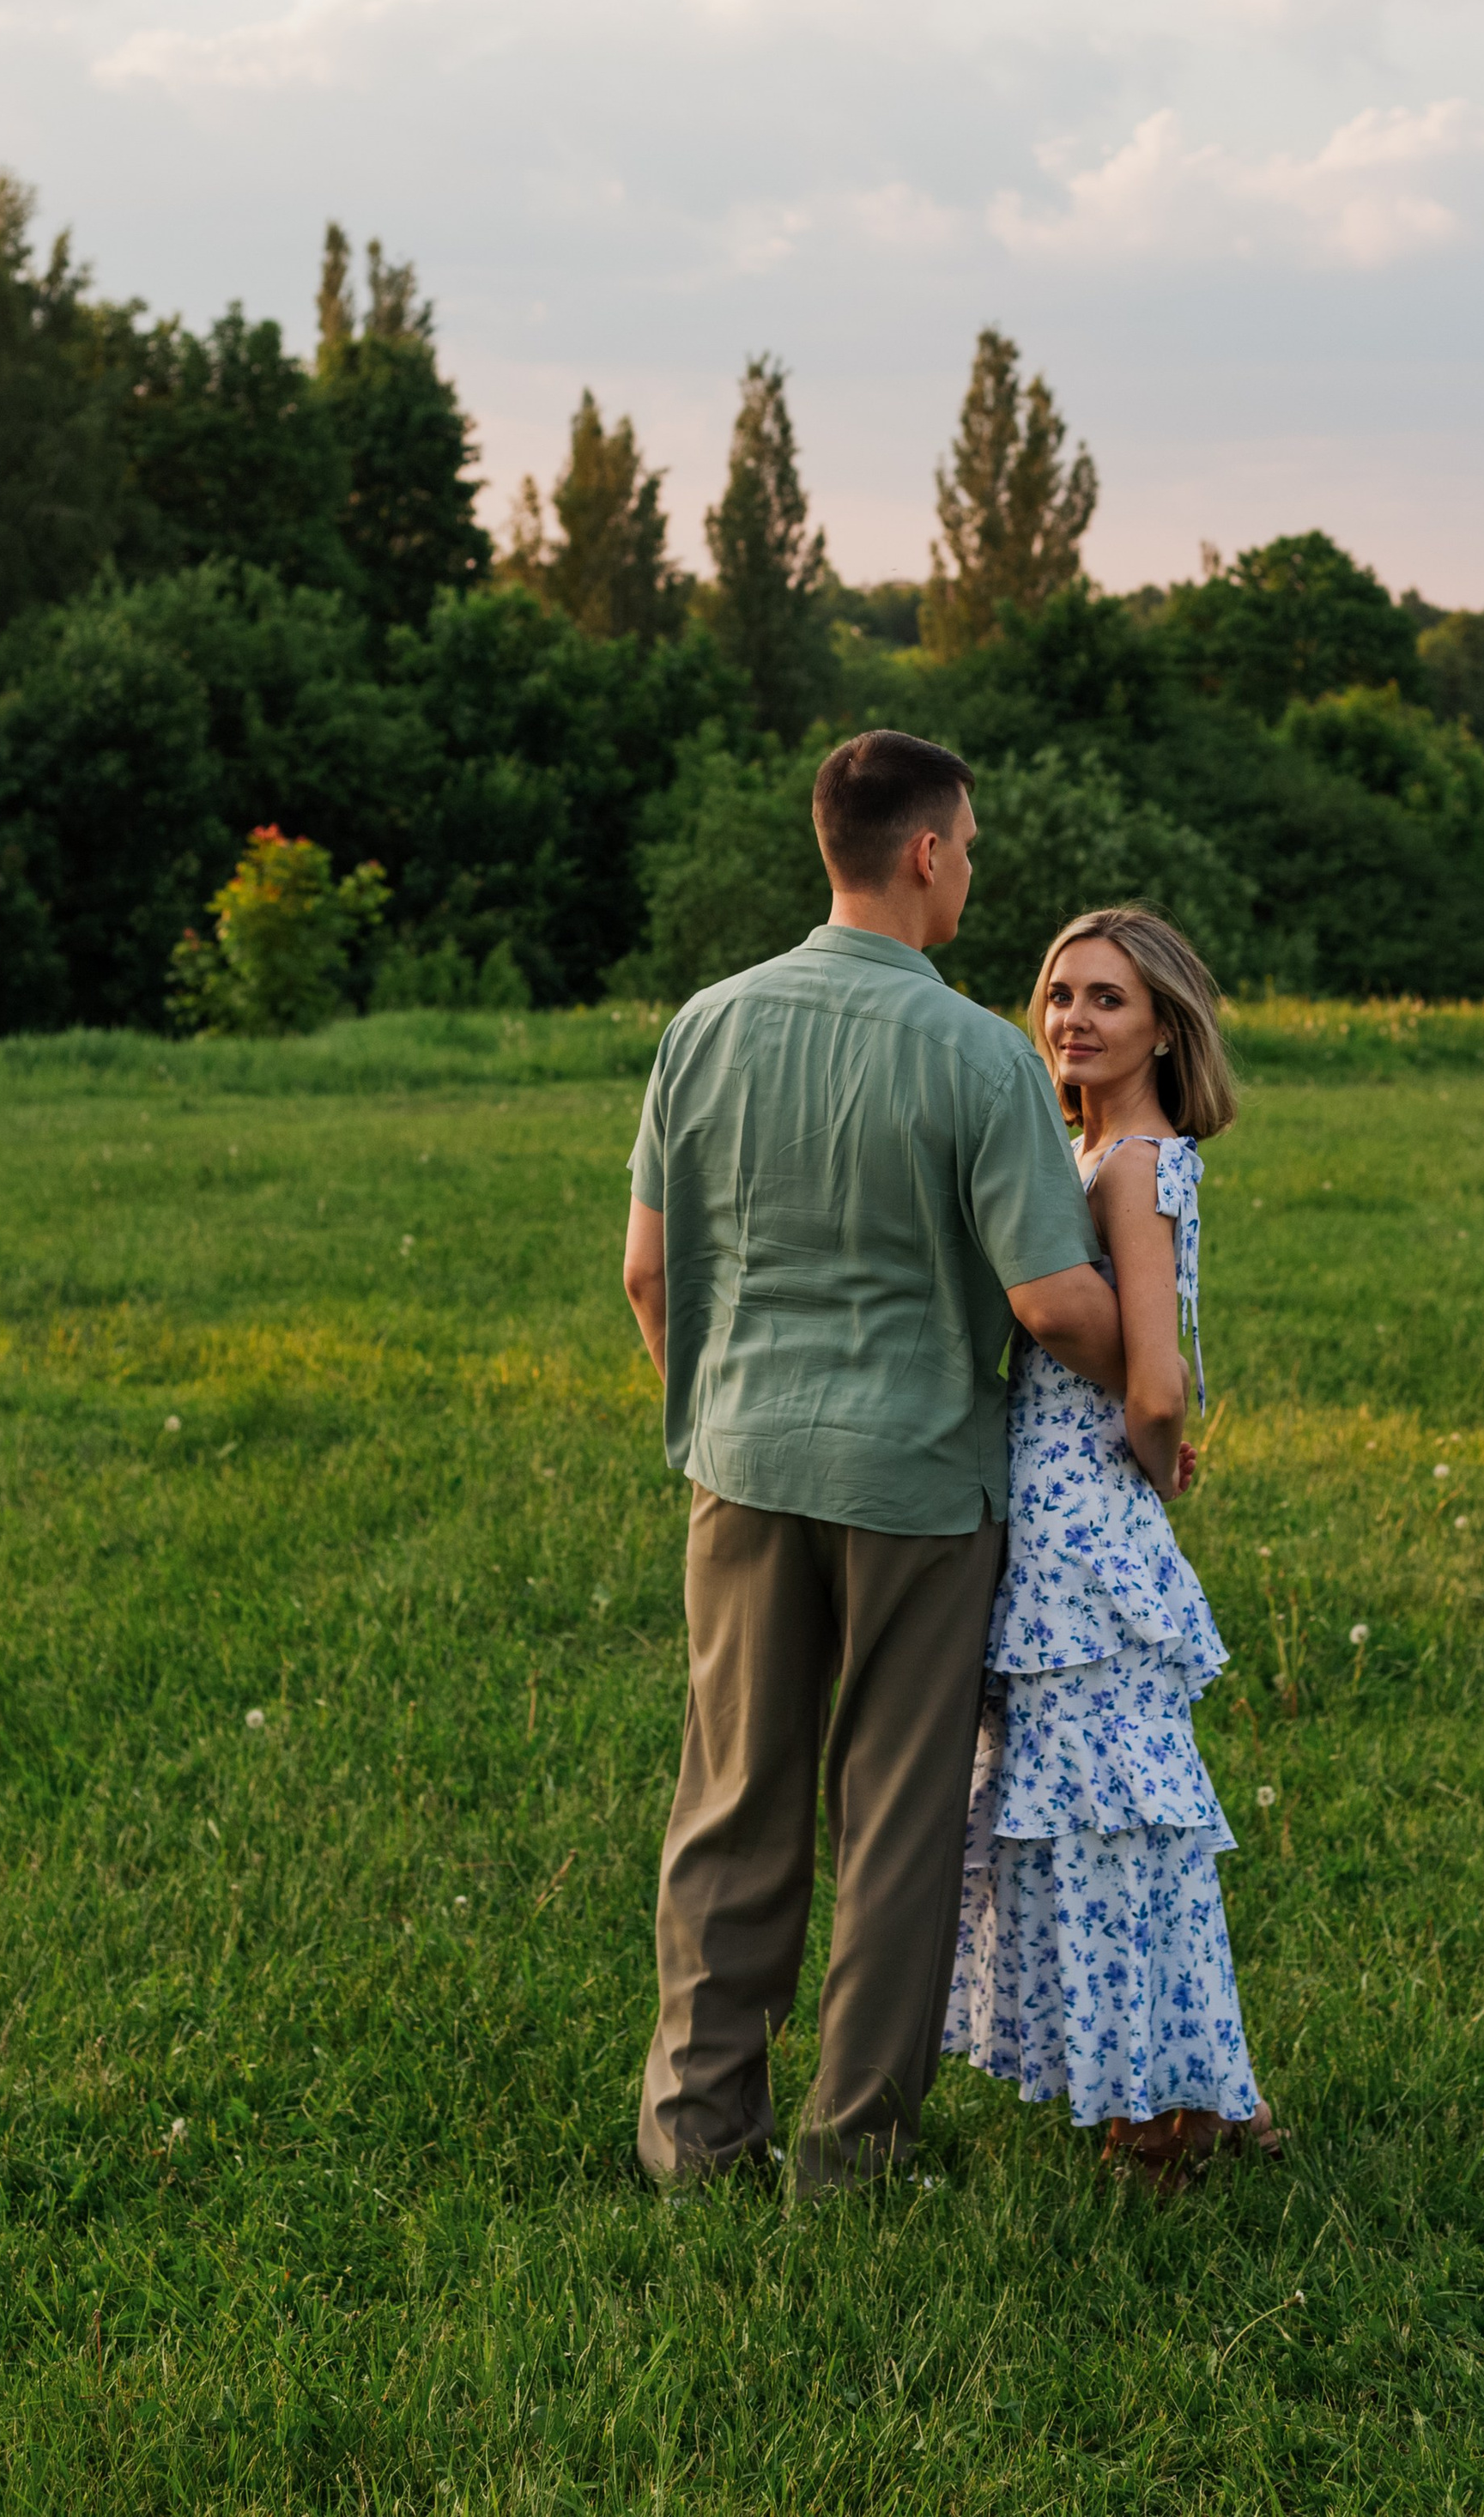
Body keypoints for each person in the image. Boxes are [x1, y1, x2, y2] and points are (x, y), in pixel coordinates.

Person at [622, 730, 1125, 2191]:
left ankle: (696, 2141)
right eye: (966, 845)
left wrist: (724, 1413)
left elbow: (649, 1275)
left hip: (743, 1466)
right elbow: (1047, 1301)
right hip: (918, 1487)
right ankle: (854, 2157)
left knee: (731, 1799)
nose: (970, 869)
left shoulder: (702, 1026)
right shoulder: (980, 1052)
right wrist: (1152, 1372)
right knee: (898, 1820)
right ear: (924, 853)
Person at [942, 903, 1281, 2186]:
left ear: (1162, 1026)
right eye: (1059, 993)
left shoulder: (1135, 1160)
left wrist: (1154, 1471)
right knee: (1104, 1819)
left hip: (1086, 1541)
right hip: (1064, 1519)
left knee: (1113, 1825)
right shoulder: (1093, 1152)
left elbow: (1153, 1382)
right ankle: (1181, 2084)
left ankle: (1167, 2112)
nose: (1073, 1019)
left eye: (1107, 1000)